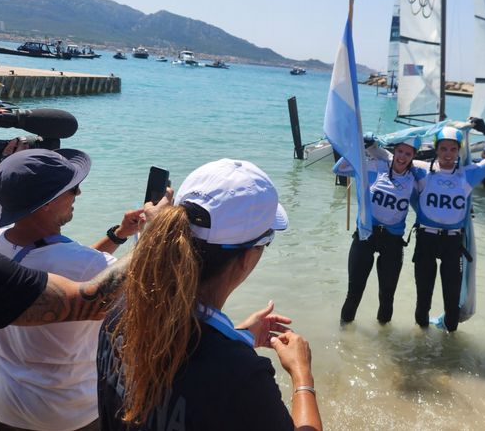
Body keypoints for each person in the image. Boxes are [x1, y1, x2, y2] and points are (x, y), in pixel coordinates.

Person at [97, 159, 322, 431]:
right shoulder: (242, 378)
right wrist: (302, 375)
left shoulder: (120, 309)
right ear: (248, 257)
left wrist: (239, 336)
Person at [0, 149, 143, 431]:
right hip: (69, 415)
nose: (78, 194)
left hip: (9, 408)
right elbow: (147, 286)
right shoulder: (87, 265)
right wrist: (158, 231)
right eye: (72, 188)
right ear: (47, 203)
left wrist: (117, 235)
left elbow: (64, 266)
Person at [410, 118, 485, 332]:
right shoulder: (421, 170)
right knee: (423, 302)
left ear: (459, 151)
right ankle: (421, 346)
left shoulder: (469, 173)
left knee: (452, 305)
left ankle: (449, 356)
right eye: (443, 148)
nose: (448, 153)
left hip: (453, 243)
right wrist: (371, 144)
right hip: (425, 241)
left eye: (453, 149)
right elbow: (393, 159)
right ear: (436, 150)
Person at [333, 137, 421, 324]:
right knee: (354, 292)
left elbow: (424, 209)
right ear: (394, 152)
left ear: (413, 156)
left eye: (408, 153)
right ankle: (344, 340)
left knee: (387, 296)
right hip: (366, 236)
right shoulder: (375, 167)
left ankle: (383, 343)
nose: (402, 157)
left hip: (393, 241)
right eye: (400, 151)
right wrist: (358, 146)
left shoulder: (414, 180)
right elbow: (339, 169)